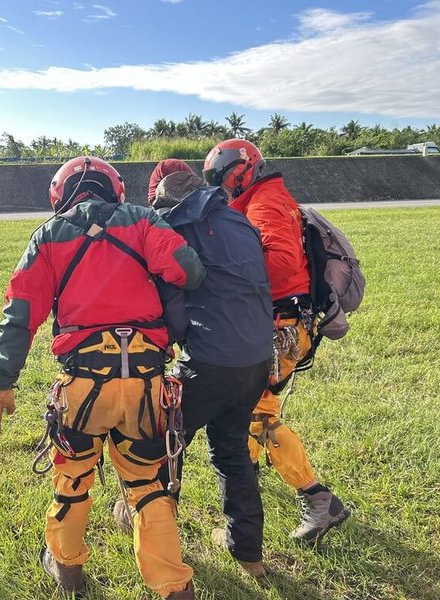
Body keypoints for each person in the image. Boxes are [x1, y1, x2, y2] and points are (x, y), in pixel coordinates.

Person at [0, 156, 205, 600]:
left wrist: (1, 383)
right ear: (115, 190)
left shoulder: (47, 236)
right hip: (146, 384)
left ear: (59, 194)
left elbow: (20, 314)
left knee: (72, 481)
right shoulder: (143, 221)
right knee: (147, 486)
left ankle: (66, 567)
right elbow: (189, 271)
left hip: (82, 387)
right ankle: (173, 586)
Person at [203, 139, 351, 545]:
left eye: (223, 178)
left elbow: (281, 262)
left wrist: (227, 276)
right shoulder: (262, 198)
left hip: (279, 328)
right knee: (251, 410)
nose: (222, 186)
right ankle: (245, 486)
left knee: (256, 415)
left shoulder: (264, 202)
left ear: (242, 170)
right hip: (275, 324)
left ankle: (319, 499)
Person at [136, 159, 274, 577]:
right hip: (256, 358)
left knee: (164, 444)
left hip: (209, 359)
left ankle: (157, 537)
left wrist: (173, 343)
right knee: (232, 450)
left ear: (162, 196)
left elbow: (174, 307)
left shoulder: (171, 228)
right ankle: (249, 555)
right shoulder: (238, 219)